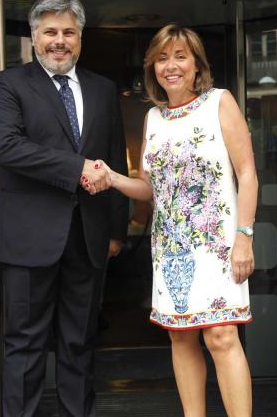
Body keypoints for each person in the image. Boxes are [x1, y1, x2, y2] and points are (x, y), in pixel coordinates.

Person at [92, 24, 257, 417]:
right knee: (181, 338)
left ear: (197, 65)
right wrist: (112, 177)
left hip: (219, 245)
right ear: (152, 68)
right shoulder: (153, 118)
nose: (171, 66)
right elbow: (148, 188)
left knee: (221, 336)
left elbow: (248, 173)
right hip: (170, 249)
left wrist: (244, 237)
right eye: (162, 58)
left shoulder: (220, 102)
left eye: (181, 56)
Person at [0, 0, 128, 416]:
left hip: (89, 235)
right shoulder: (9, 84)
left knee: (79, 341)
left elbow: (115, 159)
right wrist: (77, 167)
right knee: (25, 343)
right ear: (34, 37)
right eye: (50, 32)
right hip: (28, 237)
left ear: (80, 38)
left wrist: (116, 230)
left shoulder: (103, 89)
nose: (59, 41)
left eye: (68, 32)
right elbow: (7, 148)